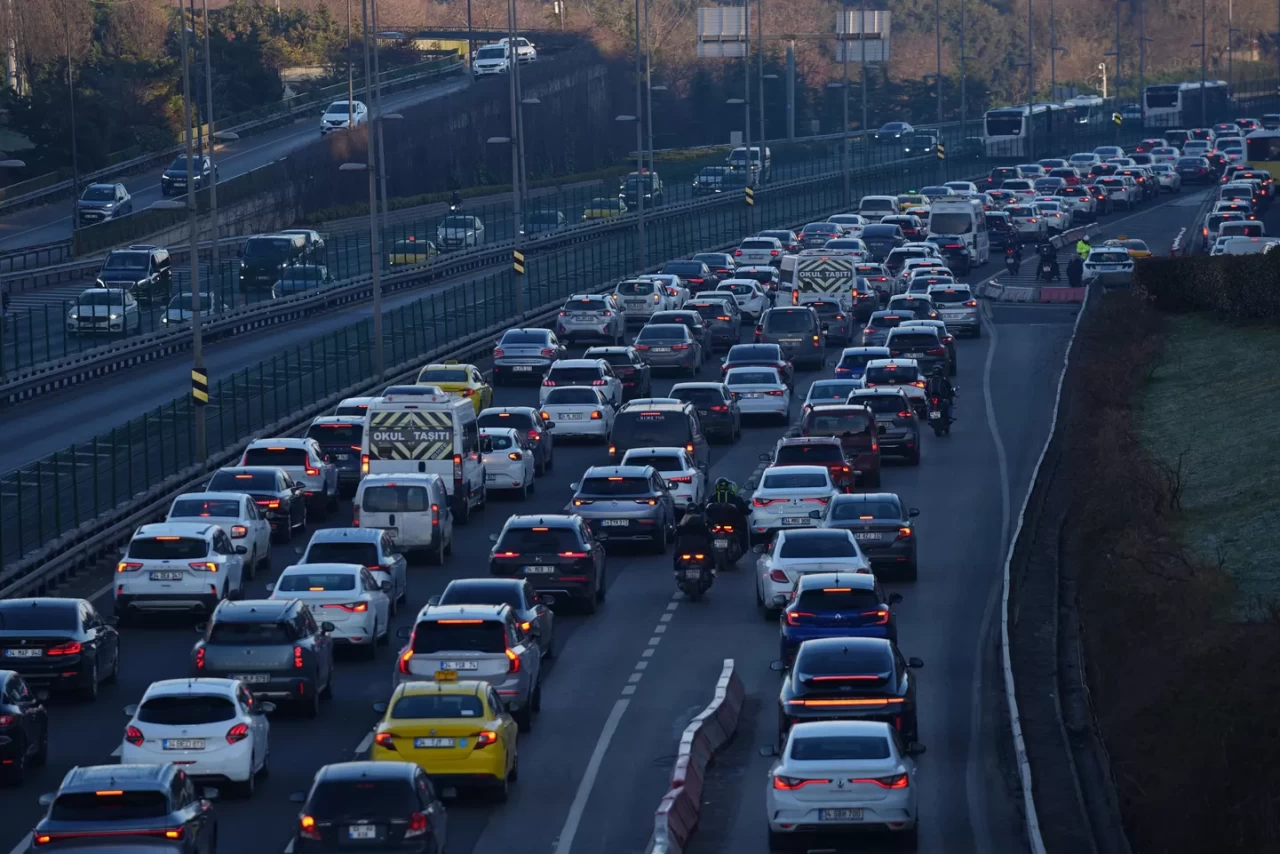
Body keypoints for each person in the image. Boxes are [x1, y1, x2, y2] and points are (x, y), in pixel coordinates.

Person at [704, 478, 750, 554]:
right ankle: (744, 546)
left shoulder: (712, 497)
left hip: (716, 526)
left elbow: (706, 510)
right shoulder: (735, 498)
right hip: (730, 525)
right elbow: (744, 510)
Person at [673, 505, 717, 572]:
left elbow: (675, 536)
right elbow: (710, 537)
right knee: (711, 556)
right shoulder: (703, 526)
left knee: (676, 557)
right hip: (702, 548)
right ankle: (713, 571)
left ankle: (676, 572)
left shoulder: (681, 527)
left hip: (684, 548)